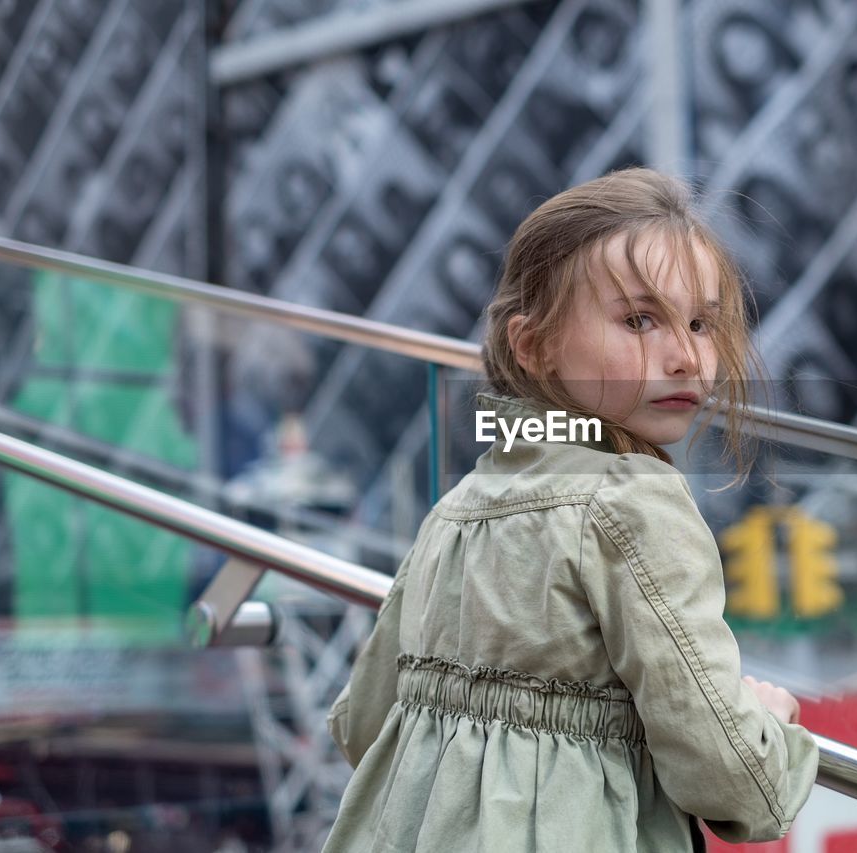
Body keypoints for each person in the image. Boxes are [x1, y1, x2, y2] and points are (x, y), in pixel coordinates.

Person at [322, 168, 819, 852]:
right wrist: (773, 725)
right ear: (535, 346)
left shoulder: (462, 503)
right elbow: (735, 781)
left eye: (702, 322)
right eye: (640, 320)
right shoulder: (633, 502)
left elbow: (362, 727)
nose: (684, 357)